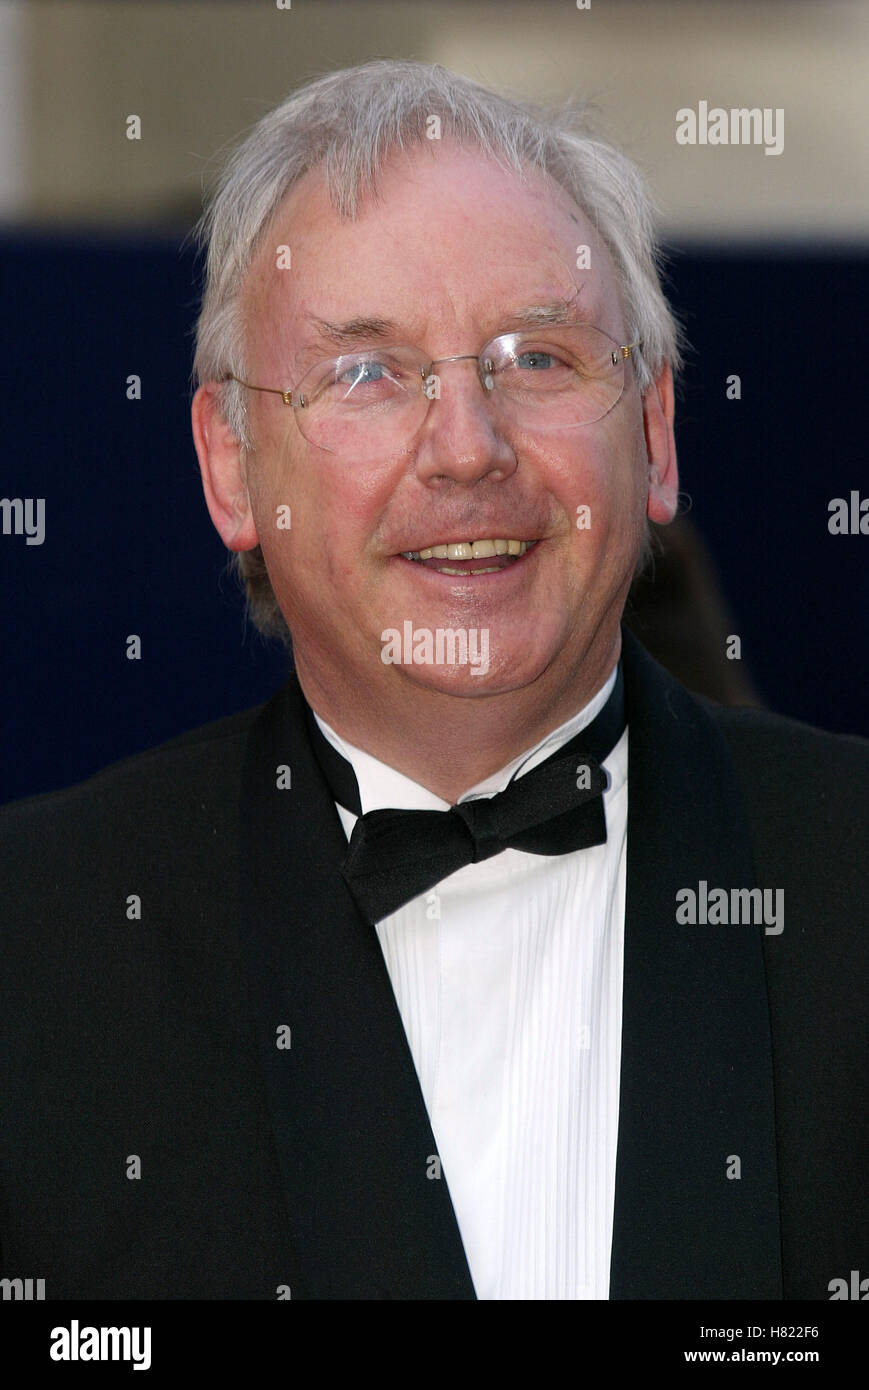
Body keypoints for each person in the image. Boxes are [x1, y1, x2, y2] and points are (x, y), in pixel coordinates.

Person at [1, 60, 866, 1302]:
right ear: (232, 468)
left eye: (537, 356)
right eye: (364, 371)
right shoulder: (37, 958)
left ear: (654, 431)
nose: (466, 447)